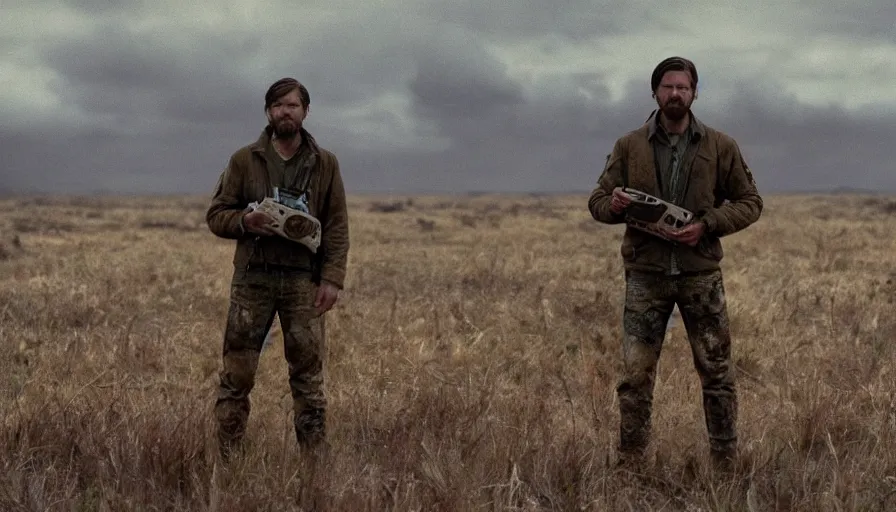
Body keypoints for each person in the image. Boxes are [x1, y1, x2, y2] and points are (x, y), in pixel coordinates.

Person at [587, 57, 762, 471]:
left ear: (695, 93)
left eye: (683, 87)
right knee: (635, 378)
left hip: (700, 275)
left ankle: (725, 465)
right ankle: (630, 466)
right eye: (668, 87)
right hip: (646, 277)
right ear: (655, 93)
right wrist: (612, 207)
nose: (675, 94)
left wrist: (707, 225)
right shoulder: (629, 146)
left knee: (717, 375)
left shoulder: (721, 146)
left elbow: (751, 202)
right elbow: (597, 201)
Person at [206, 77, 350, 460]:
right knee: (237, 374)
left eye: (293, 105)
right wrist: (245, 222)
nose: (285, 112)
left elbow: (336, 224)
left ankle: (314, 463)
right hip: (253, 279)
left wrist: (332, 279)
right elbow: (216, 215)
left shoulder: (326, 164)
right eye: (278, 105)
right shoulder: (244, 160)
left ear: (305, 111)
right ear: (268, 111)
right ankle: (228, 460)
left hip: (304, 281)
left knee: (308, 377)